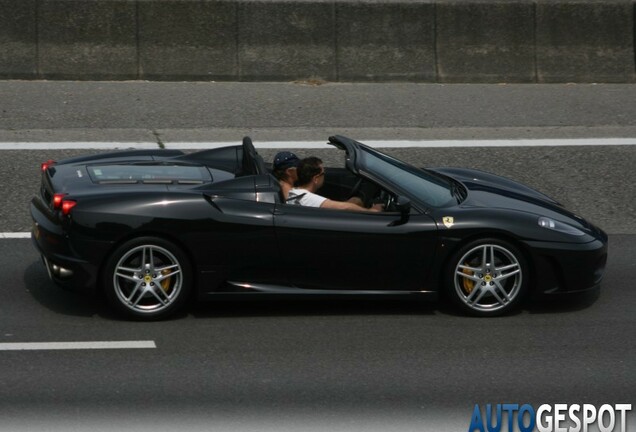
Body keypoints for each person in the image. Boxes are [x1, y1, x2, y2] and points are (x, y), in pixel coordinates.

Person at [287, 157, 383, 212]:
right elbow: (344, 207)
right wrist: (371, 211)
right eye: (323, 174)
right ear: (315, 179)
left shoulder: (294, 192)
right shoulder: (307, 198)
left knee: (355, 200)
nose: (324, 176)